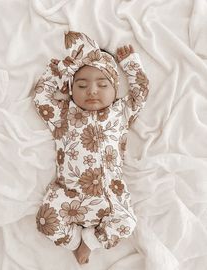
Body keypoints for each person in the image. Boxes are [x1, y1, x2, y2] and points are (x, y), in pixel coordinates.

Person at [33, 31, 149, 265]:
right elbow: (41, 99)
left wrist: (130, 65)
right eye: (82, 85)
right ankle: (76, 242)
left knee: (127, 222)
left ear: (115, 90)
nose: (92, 90)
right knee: (46, 221)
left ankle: (91, 242)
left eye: (102, 84)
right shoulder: (64, 114)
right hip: (68, 193)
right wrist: (57, 73)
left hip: (110, 194)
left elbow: (140, 93)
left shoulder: (120, 112)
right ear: (71, 90)